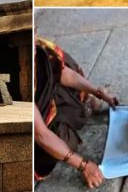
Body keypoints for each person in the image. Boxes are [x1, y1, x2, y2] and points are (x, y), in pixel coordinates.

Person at [34, 36, 119, 189]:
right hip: (32, 129)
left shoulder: (37, 48)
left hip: (45, 101)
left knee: (61, 60)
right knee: (66, 143)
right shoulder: (16, 78)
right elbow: (40, 134)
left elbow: (64, 73)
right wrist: (83, 165)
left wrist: (98, 92)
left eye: (34, 31)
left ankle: (85, 102)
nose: (34, 39)